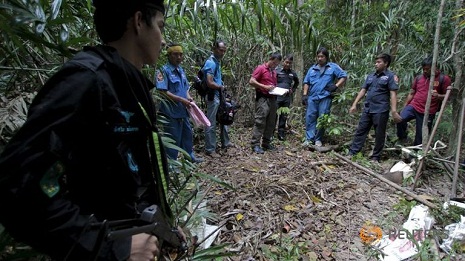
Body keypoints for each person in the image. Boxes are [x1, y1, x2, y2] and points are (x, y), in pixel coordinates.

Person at [0, 0, 171, 260]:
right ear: (138, 22)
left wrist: (159, 227)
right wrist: (110, 247)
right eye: (160, 26)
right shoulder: (85, 80)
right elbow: (16, 184)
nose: (163, 39)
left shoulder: (130, 85)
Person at [348, 53, 402, 162]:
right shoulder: (371, 76)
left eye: (379, 62)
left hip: (381, 110)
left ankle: (376, 157)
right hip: (368, 108)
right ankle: (353, 152)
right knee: (361, 130)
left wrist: (394, 111)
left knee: (379, 134)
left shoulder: (390, 76)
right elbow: (363, 90)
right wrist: (355, 104)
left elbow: (393, 94)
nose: (376, 64)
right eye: (376, 62)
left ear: (386, 63)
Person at [156, 43, 203, 163]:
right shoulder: (163, 71)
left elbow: (185, 89)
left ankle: (189, 158)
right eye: (175, 54)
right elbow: (163, 92)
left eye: (181, 55)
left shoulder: (181, 70)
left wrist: (189, 98)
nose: (179, 57)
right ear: (169, 55)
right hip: (170, 112)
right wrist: (181, 100)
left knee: (187, 135)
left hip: (183, 111)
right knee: (172, 138)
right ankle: (172, 164)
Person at [396, 57, 451, 146]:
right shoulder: (419, 78)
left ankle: (415, 154)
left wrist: (438, 96)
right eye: (423, 69)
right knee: (400, 118)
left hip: (428, 111)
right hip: (414, 106)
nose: (425, 71)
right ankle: (402, 138)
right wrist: (405, 106)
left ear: (434, 68)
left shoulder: (443, 79)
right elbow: (412, 92)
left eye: (427, 69)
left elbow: (448, 97)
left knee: (420, 136)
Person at [302, 47, 347, 147]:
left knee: (322, 117)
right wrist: (305, 94)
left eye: (322, 56)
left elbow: (343, 76)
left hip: (325, 96)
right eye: (318, 56)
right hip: (312, 97)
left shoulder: (333, 67)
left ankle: (318, 139)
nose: (320, 58)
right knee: (310, 117)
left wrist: (336, 86)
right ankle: (309, 139)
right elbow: (306, 82)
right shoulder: (312, 69)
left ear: (326, 57)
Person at [203, 40, 233, 158]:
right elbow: (209, 82)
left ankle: (225, 143)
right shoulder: (210, 63)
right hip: (212, 96)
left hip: (219, 95)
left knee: (224, 118)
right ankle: (210, 149)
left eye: (224, 51)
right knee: (211, 122)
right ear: (214, 49)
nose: (222, 53)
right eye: (221, 50)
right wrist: (220, 86)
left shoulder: (217, 62)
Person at [249, 52, 282, 154]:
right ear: (270, 59)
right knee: (260, 121)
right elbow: (251, 81)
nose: (275, 65)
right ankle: (255, 144)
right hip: (263, 98)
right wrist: (264, 87)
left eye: (277, 64)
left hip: (273, 99)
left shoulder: (274, 72)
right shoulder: (261, 68)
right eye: (274, 63)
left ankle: (266, 143)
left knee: (271, 122)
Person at [276, 54, 299, 141]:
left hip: (286, 97)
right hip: (277, 96)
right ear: (283, 62)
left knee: (284, 115)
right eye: (286, 62)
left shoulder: (292, 73)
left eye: (289, 63)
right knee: (274, 114)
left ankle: (281, 133)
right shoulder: (277, 71)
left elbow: (297, 82)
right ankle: (270, 133)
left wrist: (292, 90)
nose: (288, 64)